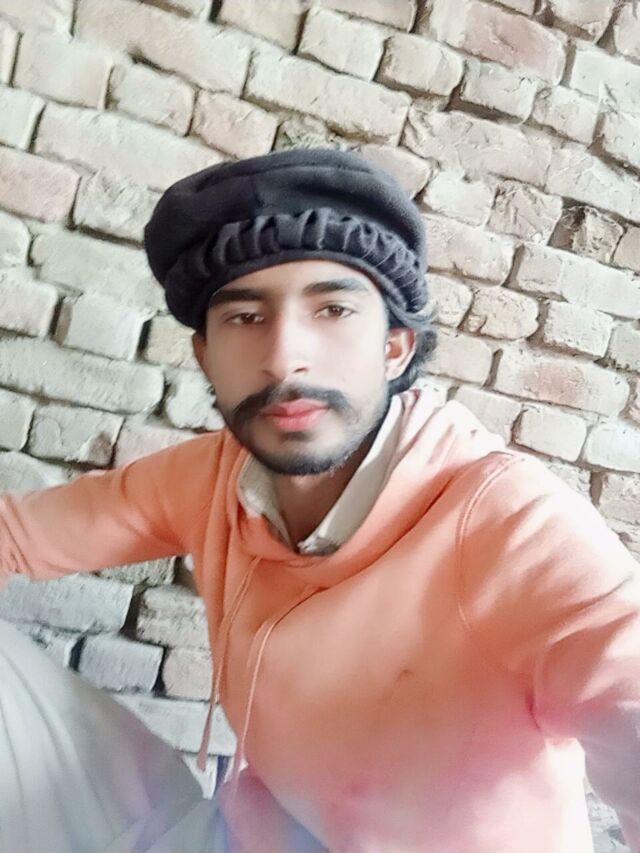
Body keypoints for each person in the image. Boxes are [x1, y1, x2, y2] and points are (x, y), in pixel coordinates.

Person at [0, 147, 638, 853]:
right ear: (205, 355)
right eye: (245, 317)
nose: (284, 358)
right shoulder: (214, 475)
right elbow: (17, 534)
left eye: (332, 309)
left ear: (396, 346)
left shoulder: (507, 522)